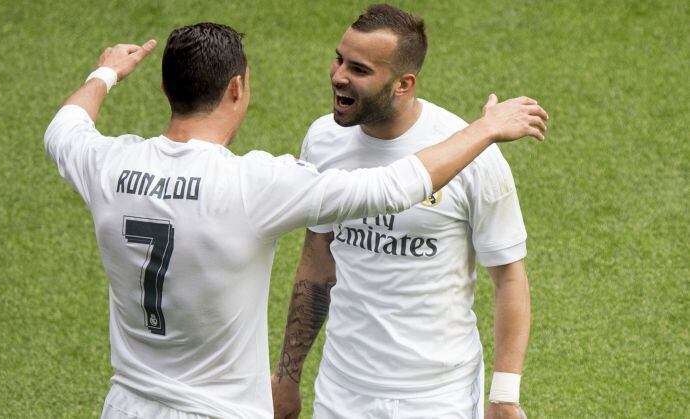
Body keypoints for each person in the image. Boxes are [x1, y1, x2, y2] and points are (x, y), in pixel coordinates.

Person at [44, 22, 547, 419]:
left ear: (162, 85)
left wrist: (105, 72)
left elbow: (65, 126)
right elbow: (391, 188)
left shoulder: (107, 165)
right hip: (224, 410)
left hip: (127, 405)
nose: (337, 76)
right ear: (237, 89)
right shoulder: (254, 184)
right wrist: (484, 131)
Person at [272, 5, 538, 419]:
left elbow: (509, 277)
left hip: (438, 395)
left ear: (403, 84)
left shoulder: (473, 155)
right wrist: (286, 376)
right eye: (339, 58)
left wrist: (504, 394)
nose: (339, 75)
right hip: (342, 388)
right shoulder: (323, 140)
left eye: (359, 70)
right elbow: (317, 261)